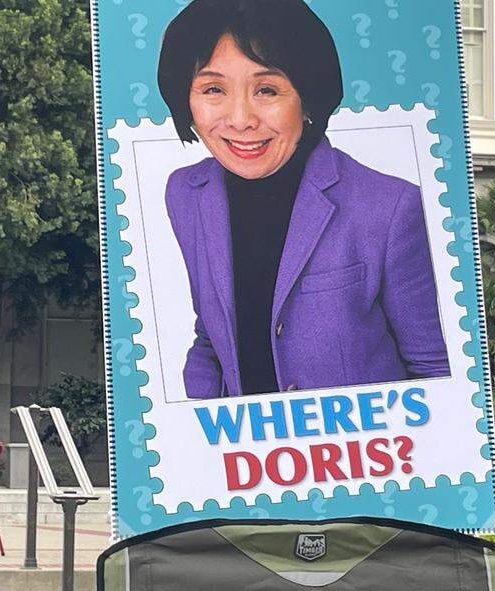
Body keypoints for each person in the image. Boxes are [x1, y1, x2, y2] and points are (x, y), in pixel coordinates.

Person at [158, 0, 450, 400]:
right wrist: (195, 424)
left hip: (362, 441)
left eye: (266, 90)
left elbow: (434, 371)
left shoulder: (391, 206)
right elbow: (211, 337)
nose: (241, 119)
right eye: (213, 90)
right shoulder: (186, 194)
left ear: (307, 98)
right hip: (242, 440)